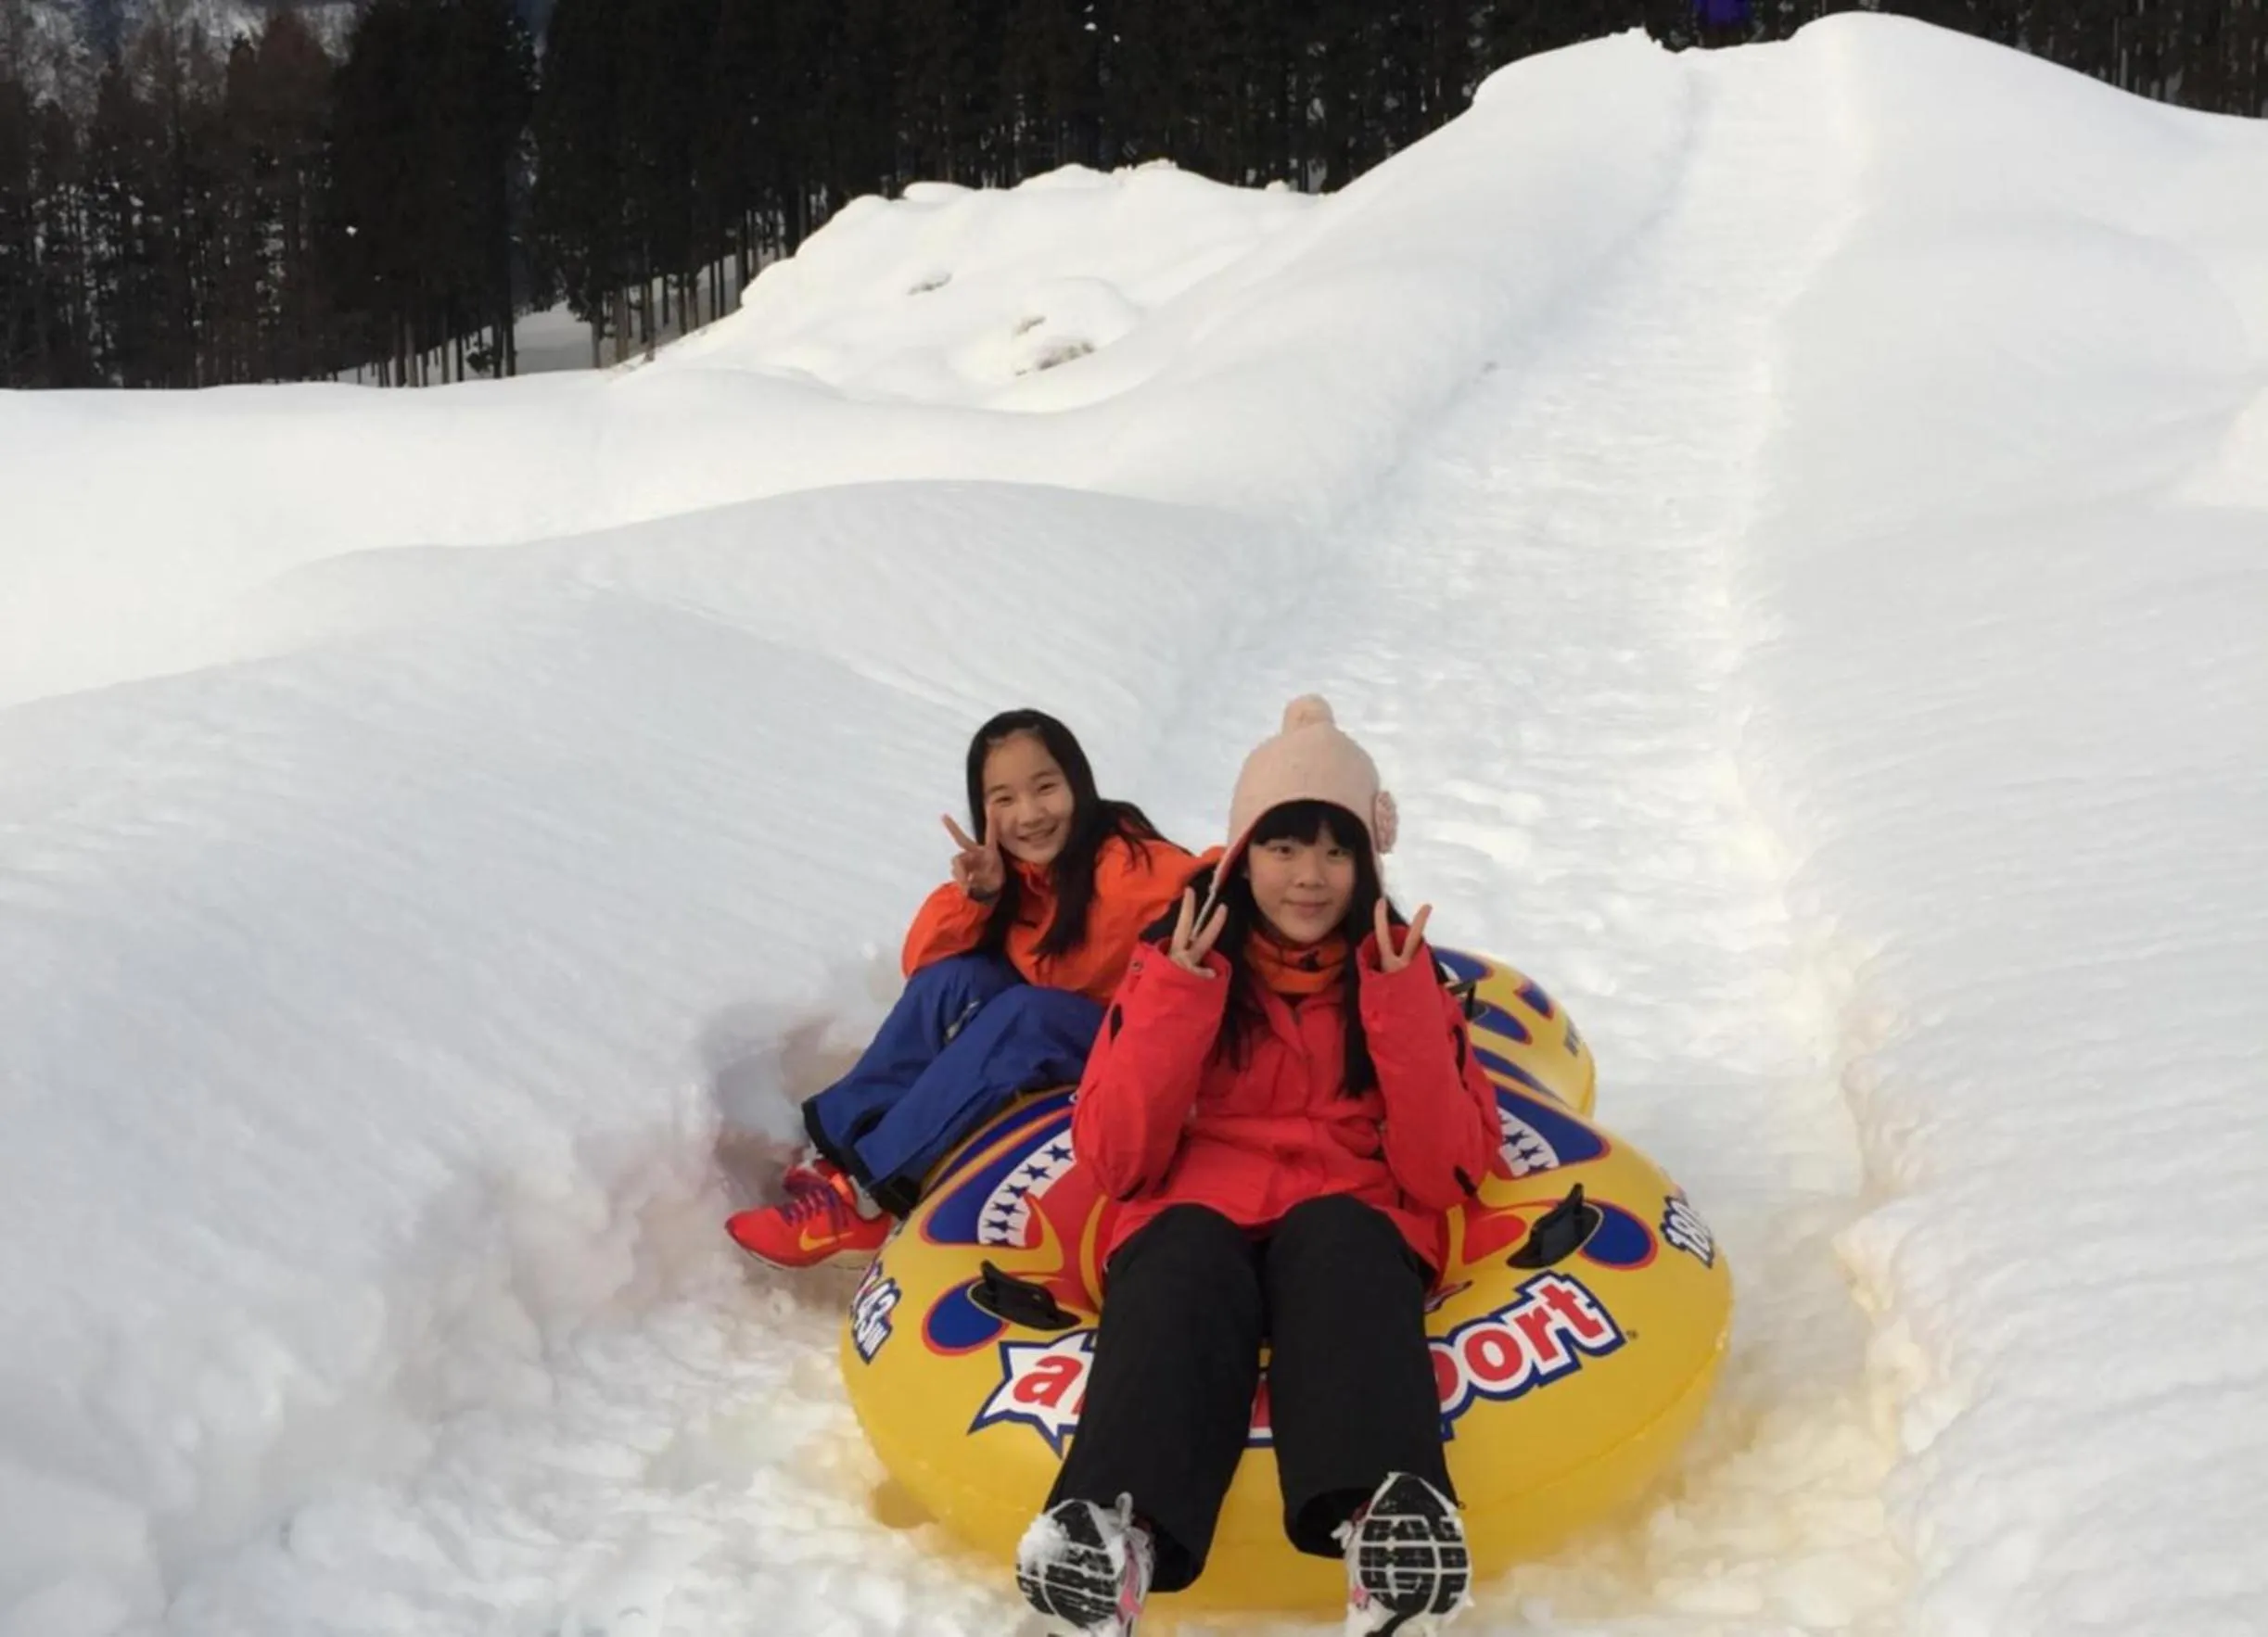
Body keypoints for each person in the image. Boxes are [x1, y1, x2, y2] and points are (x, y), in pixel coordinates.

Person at [1014, 696, 1499, 1636]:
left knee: (1343, 1235)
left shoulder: (1403, 975)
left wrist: (1399, 1003)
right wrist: (1180, 996)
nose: (1309, 877)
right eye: (1283, 847)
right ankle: (1112, 1541)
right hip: (1197, 1218)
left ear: (1367, 866)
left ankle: (1390, 1539)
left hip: (1345, 1218)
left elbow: (1444, 1175)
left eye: (1335, 851)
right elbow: (1116, 1159)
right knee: (1181, 1252)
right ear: (1242, 855)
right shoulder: (1173, 964)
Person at [728, 709, 1204, 1269]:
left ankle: (867, 1198)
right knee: (957, 980)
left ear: (1078, 782)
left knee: (1026, 1017)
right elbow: (922, 963)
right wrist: (978, 898)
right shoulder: (1018, 873)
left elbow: (1214, 880)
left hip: (1138, 1049)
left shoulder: (1129, 868)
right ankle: (837, 1150)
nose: (1030, 814)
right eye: (1004, 798)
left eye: (1046, 787)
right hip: (1072, 1029)